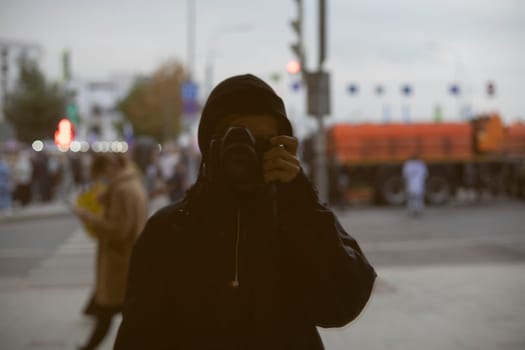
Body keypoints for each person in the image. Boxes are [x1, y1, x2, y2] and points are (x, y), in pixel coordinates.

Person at [114, 74, 376, 350]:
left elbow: (342, 305)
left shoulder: (296, 217)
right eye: (237, 139)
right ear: (210, 145)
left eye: (262, 142)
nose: (247, 153)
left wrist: (300, 198)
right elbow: (137, 338)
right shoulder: (168, 231)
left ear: (281, 147)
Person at [73, 153, 148, 350]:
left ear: (108, 168)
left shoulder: (121, 190)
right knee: (118, 317)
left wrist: (87, 216)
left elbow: (118, 229)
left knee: (109, 314)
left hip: (119, 261)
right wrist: (106, 199)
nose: (102, 180)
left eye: (101, 175)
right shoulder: (131, 183)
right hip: (128, 258)